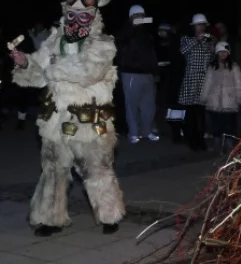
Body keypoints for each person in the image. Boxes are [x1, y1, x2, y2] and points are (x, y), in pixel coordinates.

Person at [10, 0, 124, 236]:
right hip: (56, 119)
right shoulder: (53, 41)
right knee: (53, 168)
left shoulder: (102, 44)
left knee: (97, 168)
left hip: (89, 118)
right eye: (72, 15)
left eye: (83, 15)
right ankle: (49, 218)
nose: (76, 20)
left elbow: (88, 73)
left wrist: (51, 67)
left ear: (93, 16)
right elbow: (38, 75)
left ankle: (109, 215)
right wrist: (25, 63)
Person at [115, 4, 159, 144]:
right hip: (131, 73)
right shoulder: (125, 31)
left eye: (142, 15)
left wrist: (155, 72)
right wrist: (131, 25)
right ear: (131, 17)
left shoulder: (147, 33)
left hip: (147, 73)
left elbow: (152, 54)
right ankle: (133, 133)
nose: (140, 17)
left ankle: (148, 131)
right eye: (136, 15)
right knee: (132, 105)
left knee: (149, 105)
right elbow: (120, 42)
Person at [178, 13, 215, 151]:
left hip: (204, 80)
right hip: (190, 79)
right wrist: (196, 40)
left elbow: (211, 58)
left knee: (201, 113)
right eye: (198, 25)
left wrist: (210, 46)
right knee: (190, 113)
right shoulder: (186, 39)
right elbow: (183, 51)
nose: (201, 27)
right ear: (194, 27)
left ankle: (201, 140)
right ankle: (191, 140)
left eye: (202, 25)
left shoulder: (209, 40)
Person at [200, 41, 241, 155]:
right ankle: (217, 148)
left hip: (230, 102)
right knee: (216, 128)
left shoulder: (233, 67)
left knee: (229, 127)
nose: (223, 54)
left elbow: (238, 83)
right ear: (217, 53)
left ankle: (229, 148)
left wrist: (239, 97)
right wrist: (204, 97)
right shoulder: (212, 67)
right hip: (215, 103)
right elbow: (207, 82)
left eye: (225, 52)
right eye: (220, 52)